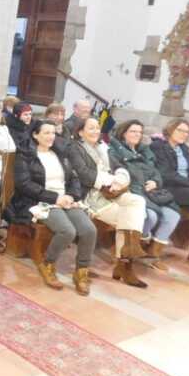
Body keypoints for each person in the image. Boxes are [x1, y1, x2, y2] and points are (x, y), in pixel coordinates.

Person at [6, 121, 96, 295]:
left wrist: (72, 196)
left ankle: (81, 271)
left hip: (65, 199)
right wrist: (55, 198)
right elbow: (24, 184)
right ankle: (48, 264)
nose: (51, 137)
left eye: (53, 133)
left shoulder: (60, 154)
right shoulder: (25, 156)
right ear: (35, 135)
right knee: (67, 231)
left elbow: (74, 179)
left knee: (89, 230)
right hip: (40, 201)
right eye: (46, 133)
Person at [69, 117, 148, 288]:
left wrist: (120, 179)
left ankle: (125, 261)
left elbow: (120, 167)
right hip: (91, 194)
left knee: (137, 201)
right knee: (128, 217)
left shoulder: (103, 147)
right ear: (81, 132)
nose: (96, 131)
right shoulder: (75, 148)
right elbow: (84, 174)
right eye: (91, 128)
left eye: (98, 128)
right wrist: (110, 181)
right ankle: (125, 265)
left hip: (112, 191)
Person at [110, 120, 181, 270]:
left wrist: (155, 182)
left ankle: (153, 254)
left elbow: (156, 172)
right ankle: (132, 248)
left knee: (173, 215)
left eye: (140, 132)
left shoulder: (144, 151)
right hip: (132, 191)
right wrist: (141, 183)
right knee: (150, 216)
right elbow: (121, 172)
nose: (137, 134)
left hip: (151, 192)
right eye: (133, 131)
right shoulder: (115, 150)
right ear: (123, 133)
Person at [150, 119, 189, 270]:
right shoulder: (158, 146)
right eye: (180, 130)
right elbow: (166, 174)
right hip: (169, 189)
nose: (184, 134)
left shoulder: (183, 148)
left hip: (188, 190)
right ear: (170, 129)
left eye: (187, 132)